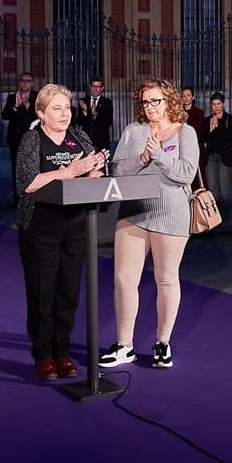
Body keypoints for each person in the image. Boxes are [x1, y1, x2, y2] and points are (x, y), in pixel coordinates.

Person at [100, 78, 198, 370]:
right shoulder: (134, 131)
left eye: (156, 100)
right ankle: (123, 345)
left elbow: (186, 174)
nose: (151, 107)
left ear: (169, 101)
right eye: (145, 101)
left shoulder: (185, 132)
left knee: (166, 279)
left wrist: (159, 157)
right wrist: (143, 157)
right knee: (123, 280)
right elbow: (117, 170)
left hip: (171, 212)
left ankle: (162, 343)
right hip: (133, 210)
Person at [15, 83, 108, 381]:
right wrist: (68, 172)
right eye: (56, 108)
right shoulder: (32, 140)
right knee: (43, 294)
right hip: (41, 229)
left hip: (76, 227)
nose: (64, 114)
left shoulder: (78, 137)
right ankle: (42, 354)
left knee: (69, 293)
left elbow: (94, 171)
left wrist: (95, 169)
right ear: (41, 112)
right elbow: (27, 183)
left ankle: (62, 351)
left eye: (66, 108)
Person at [2, 72, 38, 206]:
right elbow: (5, 115)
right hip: (15, 139)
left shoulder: (37, 96)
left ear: (32, 83)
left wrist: (27, 104)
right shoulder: (12, 97)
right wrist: (16, 106)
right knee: (16, 169)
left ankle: (32, 198)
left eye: (28, 81)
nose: (24, 83)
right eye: (22, 80)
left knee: (32, 168)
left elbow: (39, 115)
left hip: (31, 139)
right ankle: (18, 199)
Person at [202, 92, 232, 222]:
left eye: (218, 104)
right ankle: (215, 217)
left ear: (223, 104)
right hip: (210, 157)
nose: (216, 107)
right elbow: (203, 137)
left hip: (224, 157)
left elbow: (230, 136)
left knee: (225, 190)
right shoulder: (207, 120)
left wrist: (217, 127)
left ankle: (226, 217)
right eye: (213, 104)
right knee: (213, 189)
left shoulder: (230, 119)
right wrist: (210, 129)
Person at [76, 76, 113, 152]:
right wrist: (85, 111)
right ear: (90, 87)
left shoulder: (107, 103)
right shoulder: (83, 102)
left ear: (102, 88)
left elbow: (108, 122)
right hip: (86, 142)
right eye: (93, 86)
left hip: (102, 142)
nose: (95, 89)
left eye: (98, 87)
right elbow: (79, 122)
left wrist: (95, 114)